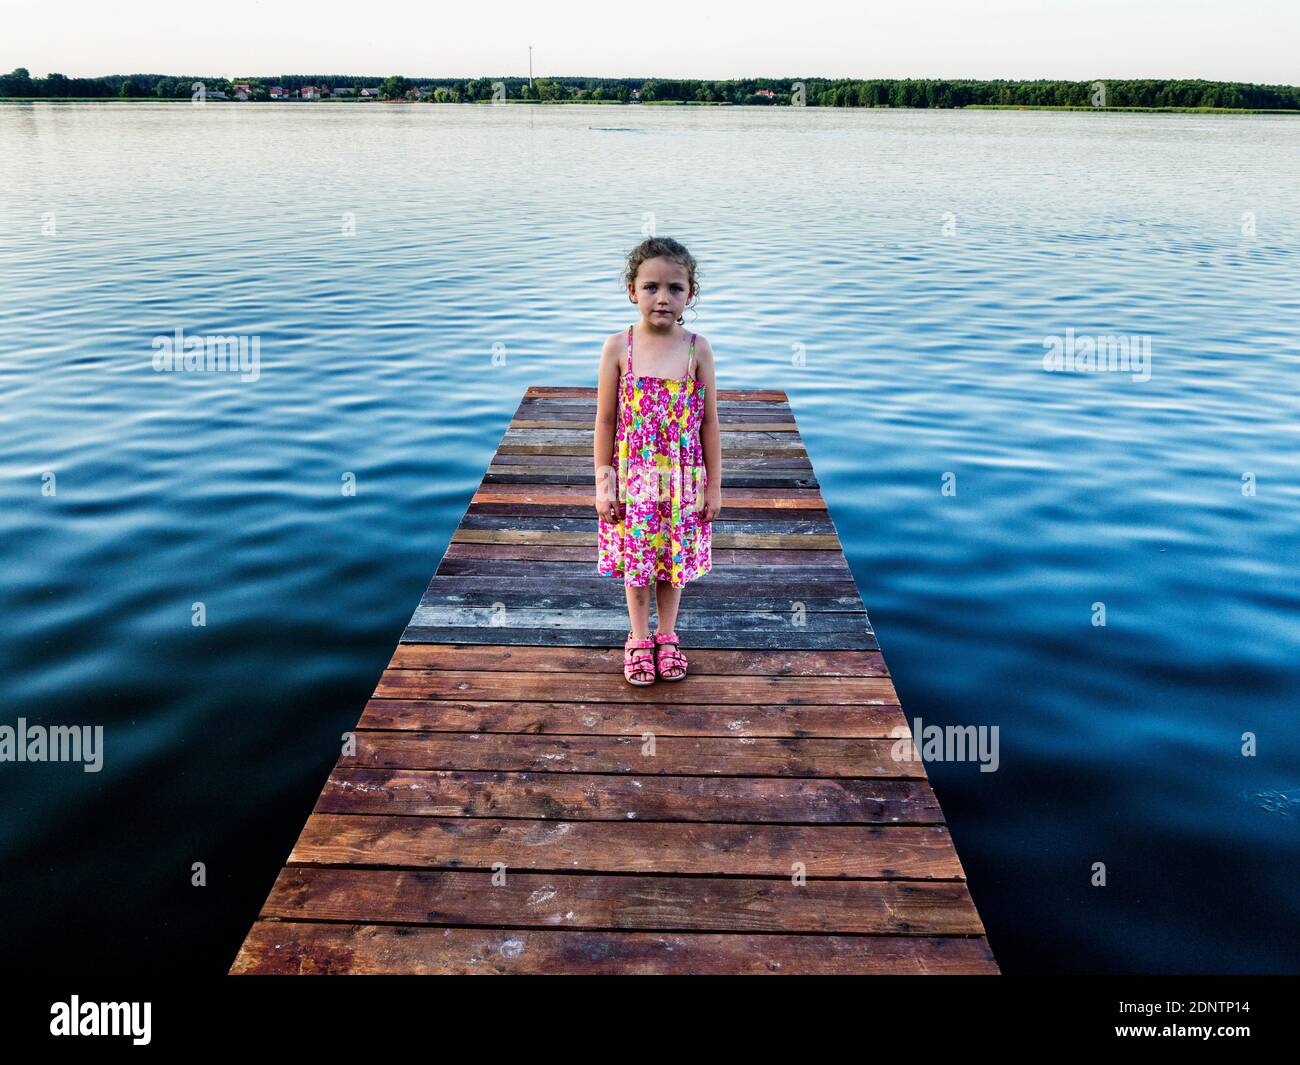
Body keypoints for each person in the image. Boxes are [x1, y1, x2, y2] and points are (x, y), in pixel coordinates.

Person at [594, 237, 722, 685]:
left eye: (674, 288)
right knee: (638, 563)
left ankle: (667, 636)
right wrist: (603, 482)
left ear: (690, 294)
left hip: (684, 481)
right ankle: (637, 636)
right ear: (632, 290)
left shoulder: (697, 349)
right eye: (650, 287)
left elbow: (709, 423)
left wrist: (714, 485)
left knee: (672, 561)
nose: (662, 298)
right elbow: (606, 420)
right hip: (634, 479)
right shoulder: (618, 347)